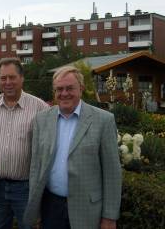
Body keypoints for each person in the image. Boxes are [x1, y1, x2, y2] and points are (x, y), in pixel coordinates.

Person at [23, 66, 122, 229]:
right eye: (59, 89)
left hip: (87, 210)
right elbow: (36, 167)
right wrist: (36, 209)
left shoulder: (103, 120)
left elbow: (112, 173)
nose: (64, 93)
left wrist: (109, 217)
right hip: (50, 206)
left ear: (81, 89)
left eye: (70, 88)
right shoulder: (41, 120)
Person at [0, 57, 49, 229]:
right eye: (3, 78)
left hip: (27, 189)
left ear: (22, 78)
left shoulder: (40, 108)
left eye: (12, 77)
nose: (8, 82)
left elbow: (48, 151)